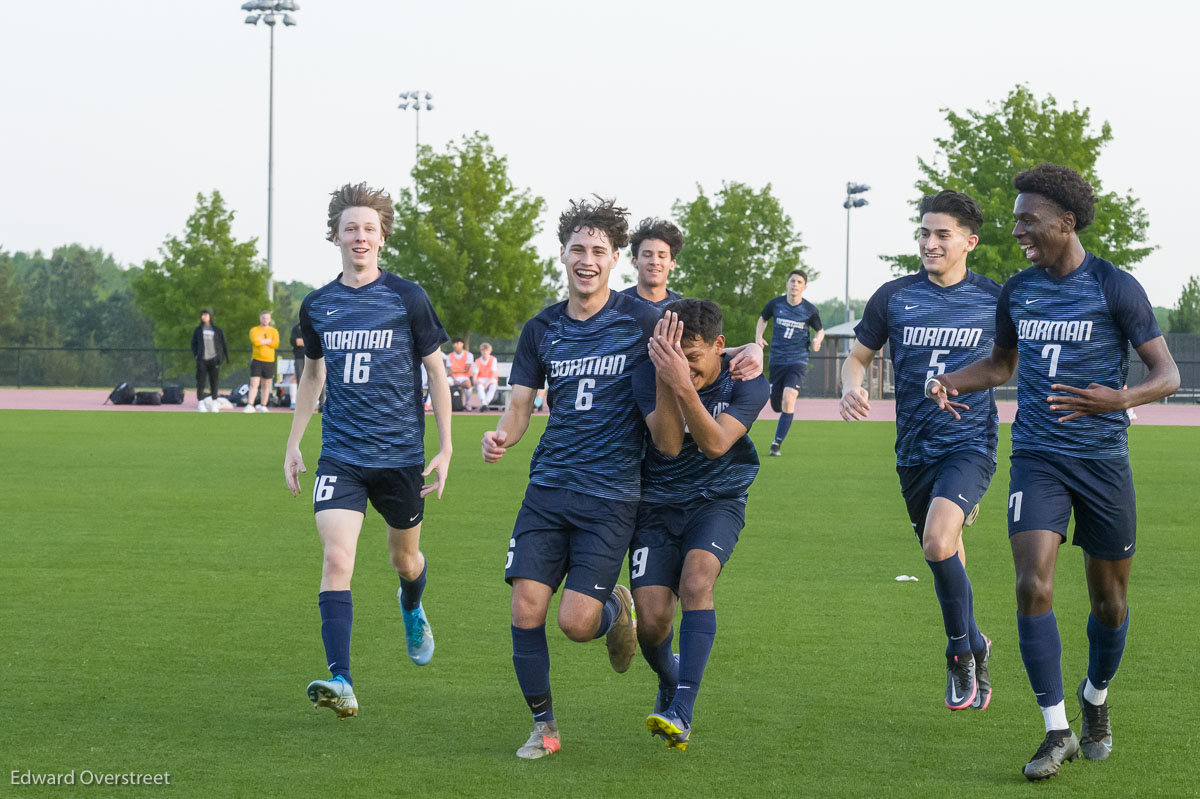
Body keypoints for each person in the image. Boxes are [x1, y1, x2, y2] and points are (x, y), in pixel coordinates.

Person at [481, 198, 761, 761]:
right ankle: (544, 727)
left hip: (613, 496)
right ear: (563, 255)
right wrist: (503, 436)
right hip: (548, 486)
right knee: (524, 608)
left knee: (576, 625)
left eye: (598, 251)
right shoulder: (540, 329)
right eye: (578, 249)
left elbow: (704, 342)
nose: (587, 260)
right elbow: (519, 407)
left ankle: (615, 609)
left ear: (615, 262)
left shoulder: (647, 321)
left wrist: (751, 352)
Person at [927, 164, 1179, 780]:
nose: (1018, 230)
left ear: (1065, 222)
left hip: (1102, 462)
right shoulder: (1018, 291)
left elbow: (1167, 376)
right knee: (1031, 586)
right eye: (1016, 221)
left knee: (1110, 603)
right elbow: (1001, 364)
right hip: (1037, 457)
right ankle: (1056, 729)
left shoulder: (1115, 287)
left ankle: (1096, 700)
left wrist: (1116, 399)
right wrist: (950, 379)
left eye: (1027, 220)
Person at [284, 182, 454, 720]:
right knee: (337, 559)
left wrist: (446, 447)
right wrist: (293, 442)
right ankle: (342, 680)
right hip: (341, 456)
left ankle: (412, 605)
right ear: (334, 235)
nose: (360, 236)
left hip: (401, 457)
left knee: (405, 561)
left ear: (383, 238)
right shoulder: (317, 306)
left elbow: (436, 373)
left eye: (369, 229)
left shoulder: (408, 297)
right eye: (351, 227)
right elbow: (313, 377)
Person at [840, 190, 1000, 713]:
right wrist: (852, 386)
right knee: (947, 553)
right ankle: (977, 641)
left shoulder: (995, 300)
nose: (930, 243)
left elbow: (1014, 362)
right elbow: (858, 357)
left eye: (942, 235)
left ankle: (959, 653)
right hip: (912, 450)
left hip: (970, 444)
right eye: (924, 233)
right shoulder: (893, 296)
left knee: (936, 541)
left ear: (969, 242)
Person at [631, 300, 769, 751]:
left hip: (718, 500)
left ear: (719, 347)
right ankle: (671, 678)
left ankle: (681, 712)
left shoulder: (748, 380)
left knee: (696, 580)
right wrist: (668, 378)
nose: (683, 368)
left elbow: (714, 444)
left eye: (692, 359)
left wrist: (680, 384)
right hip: (654, 506)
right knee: (651, 623)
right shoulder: (646, 375)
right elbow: (669, 445)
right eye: (671, 356)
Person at [756, 270, 824, 456]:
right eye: (792, 280)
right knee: (776, 404)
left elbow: (820, 330)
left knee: (789, 398)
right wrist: (758, 338)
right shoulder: (776, 304)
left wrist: (818, 340)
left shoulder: (809, 310)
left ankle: (776, 444)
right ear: (787, 283)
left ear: (804, 287)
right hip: (777, 360)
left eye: (799, 282)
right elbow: (763, 319)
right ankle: (779, 408)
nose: (795, 284)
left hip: (798, 359)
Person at [621, 217, 684, 308]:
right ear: (635, 261)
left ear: (672, 264)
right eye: (647, 255)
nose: (655, 262)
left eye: (662, 256)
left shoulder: (682, 309)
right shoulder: (617, 306)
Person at [190, 309, 229, 412]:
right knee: (201, 381)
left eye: (206, 315)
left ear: (210, 316)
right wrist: (196, 356)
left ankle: (214, 402)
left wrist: (223, 358)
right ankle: (201, 403)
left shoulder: (217, 330)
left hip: (214, 360)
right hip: (202, 360)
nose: (203, 317)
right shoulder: (198, 330)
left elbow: (223, 344)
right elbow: (193, 344)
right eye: (202, 315)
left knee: (214, 382)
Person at [247, 310, 280, 413]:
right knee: (254, 383)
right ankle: (250, 405)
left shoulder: (274, 331)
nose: (265, 320)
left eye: (267, 318)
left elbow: (275, 344)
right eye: (263, 318)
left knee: (266, 384)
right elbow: (256, 342)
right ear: (260, 318)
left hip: (269, 360)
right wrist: (268, 341)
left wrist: (263, 341)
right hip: (257, 360)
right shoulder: (254, 330)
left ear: (270, 319)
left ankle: (263, 405)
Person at [472, 341, 499, 410]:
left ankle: (485, 403)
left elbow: (493, 374)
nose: (485, 352)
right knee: (479, 385)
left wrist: (487, 383)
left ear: (490, 351)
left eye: (487, 350)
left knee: (493, 386)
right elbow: (475, 375)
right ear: (481, 351)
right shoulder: (477, 360)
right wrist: (475, 383)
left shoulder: (493, 359)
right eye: (483, 350)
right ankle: (484, 403)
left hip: (491, 379)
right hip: (481, 379)